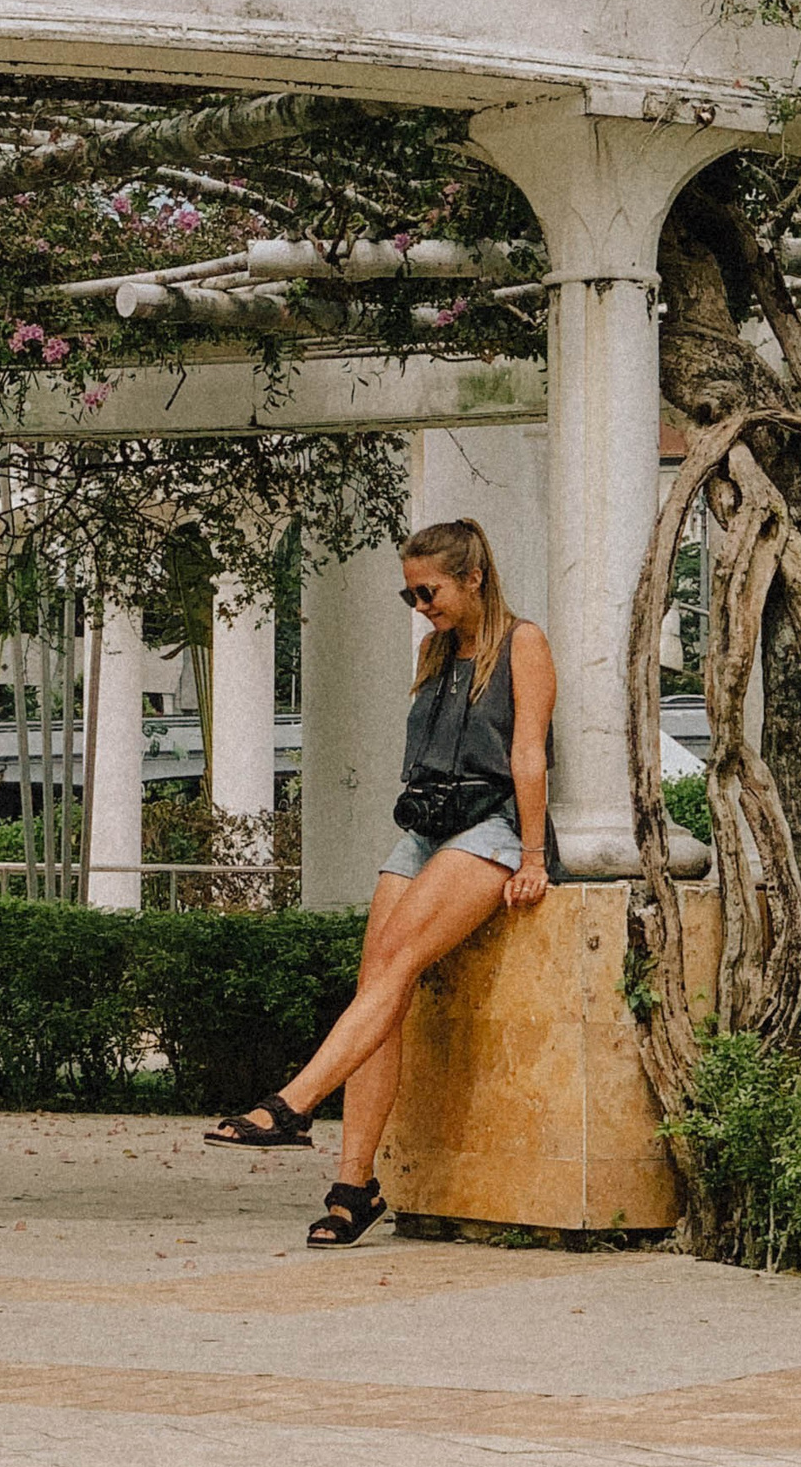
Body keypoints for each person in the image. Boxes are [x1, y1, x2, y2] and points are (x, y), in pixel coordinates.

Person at [206, 516, 557, 1245]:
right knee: (378, 983)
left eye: (428, 591)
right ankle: (354, 1184)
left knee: (397, 961)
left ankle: (294, 1103)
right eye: (409, 596)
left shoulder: (522, 643)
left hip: (489, 821)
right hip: (426, 824)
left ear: (473, 577)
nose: (420, 606)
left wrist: (531, 857)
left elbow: (528, 754)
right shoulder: (434, 651)